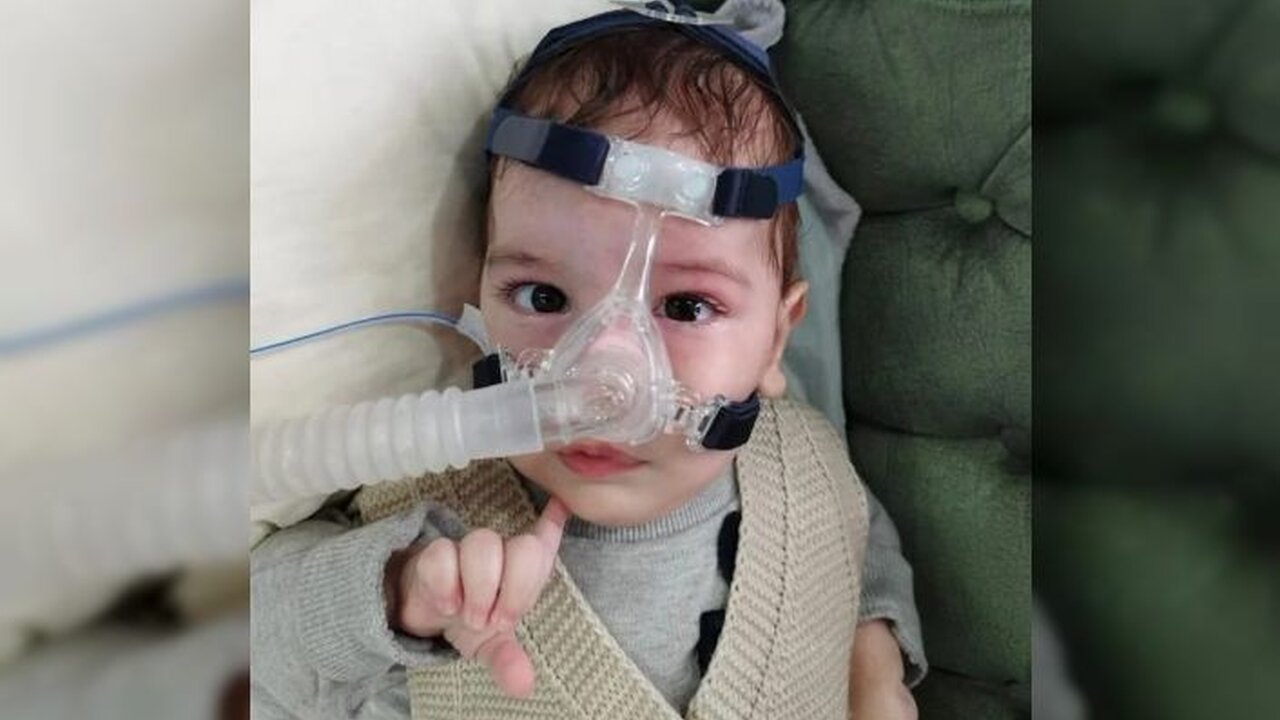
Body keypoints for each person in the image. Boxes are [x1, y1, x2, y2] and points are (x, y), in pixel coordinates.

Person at [253, 6, 924, 719]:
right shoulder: (424, 505)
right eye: (543, 296)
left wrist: (873, 660)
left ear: (777, 337)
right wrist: (396, 594)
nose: (605, 372)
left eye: (687, 307)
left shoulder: (806, 460)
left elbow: (854, 541)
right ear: (476, 294)